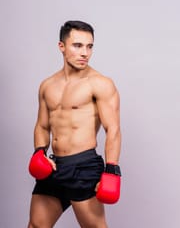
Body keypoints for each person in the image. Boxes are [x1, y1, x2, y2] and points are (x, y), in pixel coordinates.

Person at [27, 20, 121, 228]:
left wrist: (112, 169)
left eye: (89, 46)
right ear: (62, 46)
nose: (85, 53)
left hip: (83, 167)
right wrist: (39, 151)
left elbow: (112, 129)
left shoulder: (100, 84)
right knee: (36, 225)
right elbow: (42, 126)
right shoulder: (47, 86)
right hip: (53, 167)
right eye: (77, 45)